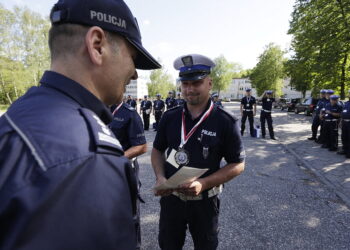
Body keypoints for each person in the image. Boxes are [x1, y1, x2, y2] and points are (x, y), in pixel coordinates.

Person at [0, 0, 161, 249]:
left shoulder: (21, 112)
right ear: (97, 46)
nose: (135, 73)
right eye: (133, 57)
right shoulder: (89, 157)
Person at [151, 54, 245, 250]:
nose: (189, 89)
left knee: (206, 246)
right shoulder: (170, 117)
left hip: (205, 202)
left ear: (209, 83)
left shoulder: (225, 121)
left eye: (196, 83)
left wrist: (203, 183)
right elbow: (157, 150)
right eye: (185, 84)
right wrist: (160, 177)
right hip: (172, 200)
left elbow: (237, 164)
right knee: (168, 245)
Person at [109, 101, 147, 250]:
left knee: (130, 215)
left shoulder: (129, 114)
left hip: (123, 170)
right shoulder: (94, 109)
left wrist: (116, 160)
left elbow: (141, 146)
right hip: (101, 170)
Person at [338, 90, 350, 158]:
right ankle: (345, 150)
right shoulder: (346, 103)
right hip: (344, 122)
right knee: (344, 137)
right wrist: (341, 121)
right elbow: (343, 113)